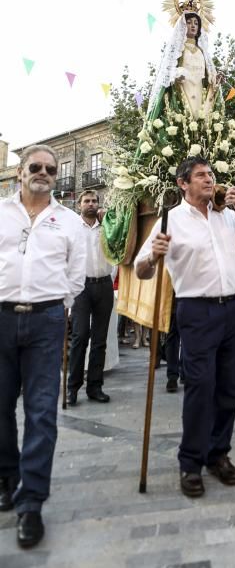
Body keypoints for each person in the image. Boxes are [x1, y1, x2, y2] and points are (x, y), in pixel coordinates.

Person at [135, 156, 235, 497]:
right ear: (183, 183)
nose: (210, 180)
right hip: (195, 311)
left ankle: (217, 454)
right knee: (200, 388)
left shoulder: (227, 216)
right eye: (202, 176)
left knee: (229, 389)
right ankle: (190, 462)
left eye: (211, 175)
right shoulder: (170, 220)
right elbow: (142, 270)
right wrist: (152, 256)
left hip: (231, 310)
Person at [0, 145, 86, 548]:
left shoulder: (68, 221)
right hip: (0, 317)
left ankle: (31, 503)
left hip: (47, 320)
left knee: (40, 411)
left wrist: (56, 307)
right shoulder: (1, 211)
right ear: (21, 171)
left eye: (51, 169)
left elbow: (76, 276)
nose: (45, 173)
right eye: (36, 166)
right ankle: (6, 477)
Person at [67, 190, 114, 406]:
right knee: (79, 336)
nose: (91, 204)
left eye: (94, 201)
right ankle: (73, 387)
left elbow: (117, 249)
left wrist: (111, 275)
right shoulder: (72, 228)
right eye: (87, 201)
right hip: (81, 287)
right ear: (79, 205)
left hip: (103, 284)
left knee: (100, 339)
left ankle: (95, 386)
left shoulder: (107, 226)